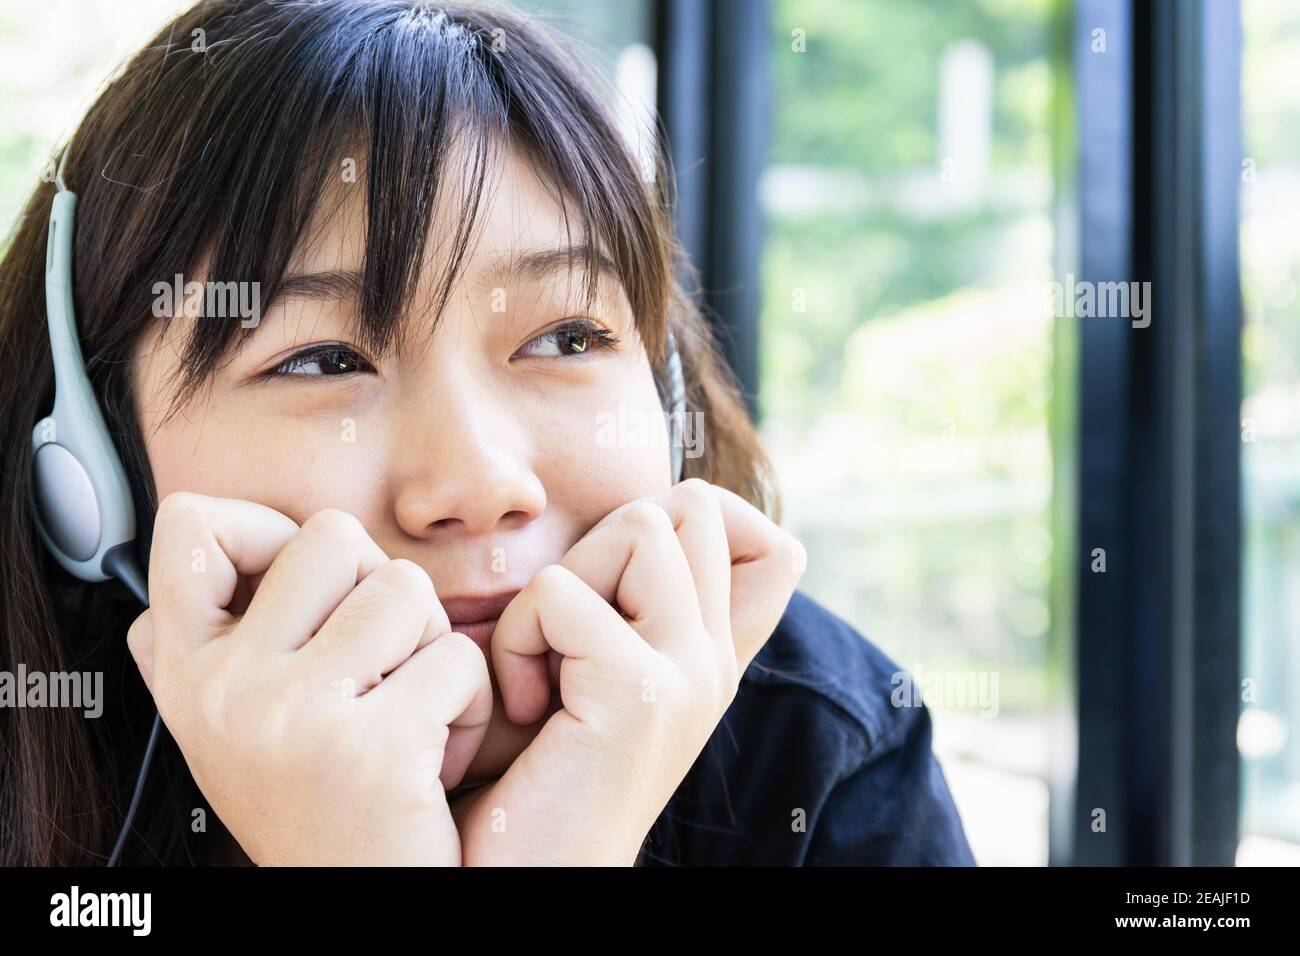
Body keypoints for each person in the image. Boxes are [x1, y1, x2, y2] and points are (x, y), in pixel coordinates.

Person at [0, 0, 973, 866]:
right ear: (97, 461)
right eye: (322, 359)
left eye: (565, 335)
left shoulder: (820, 744)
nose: (478, 482)